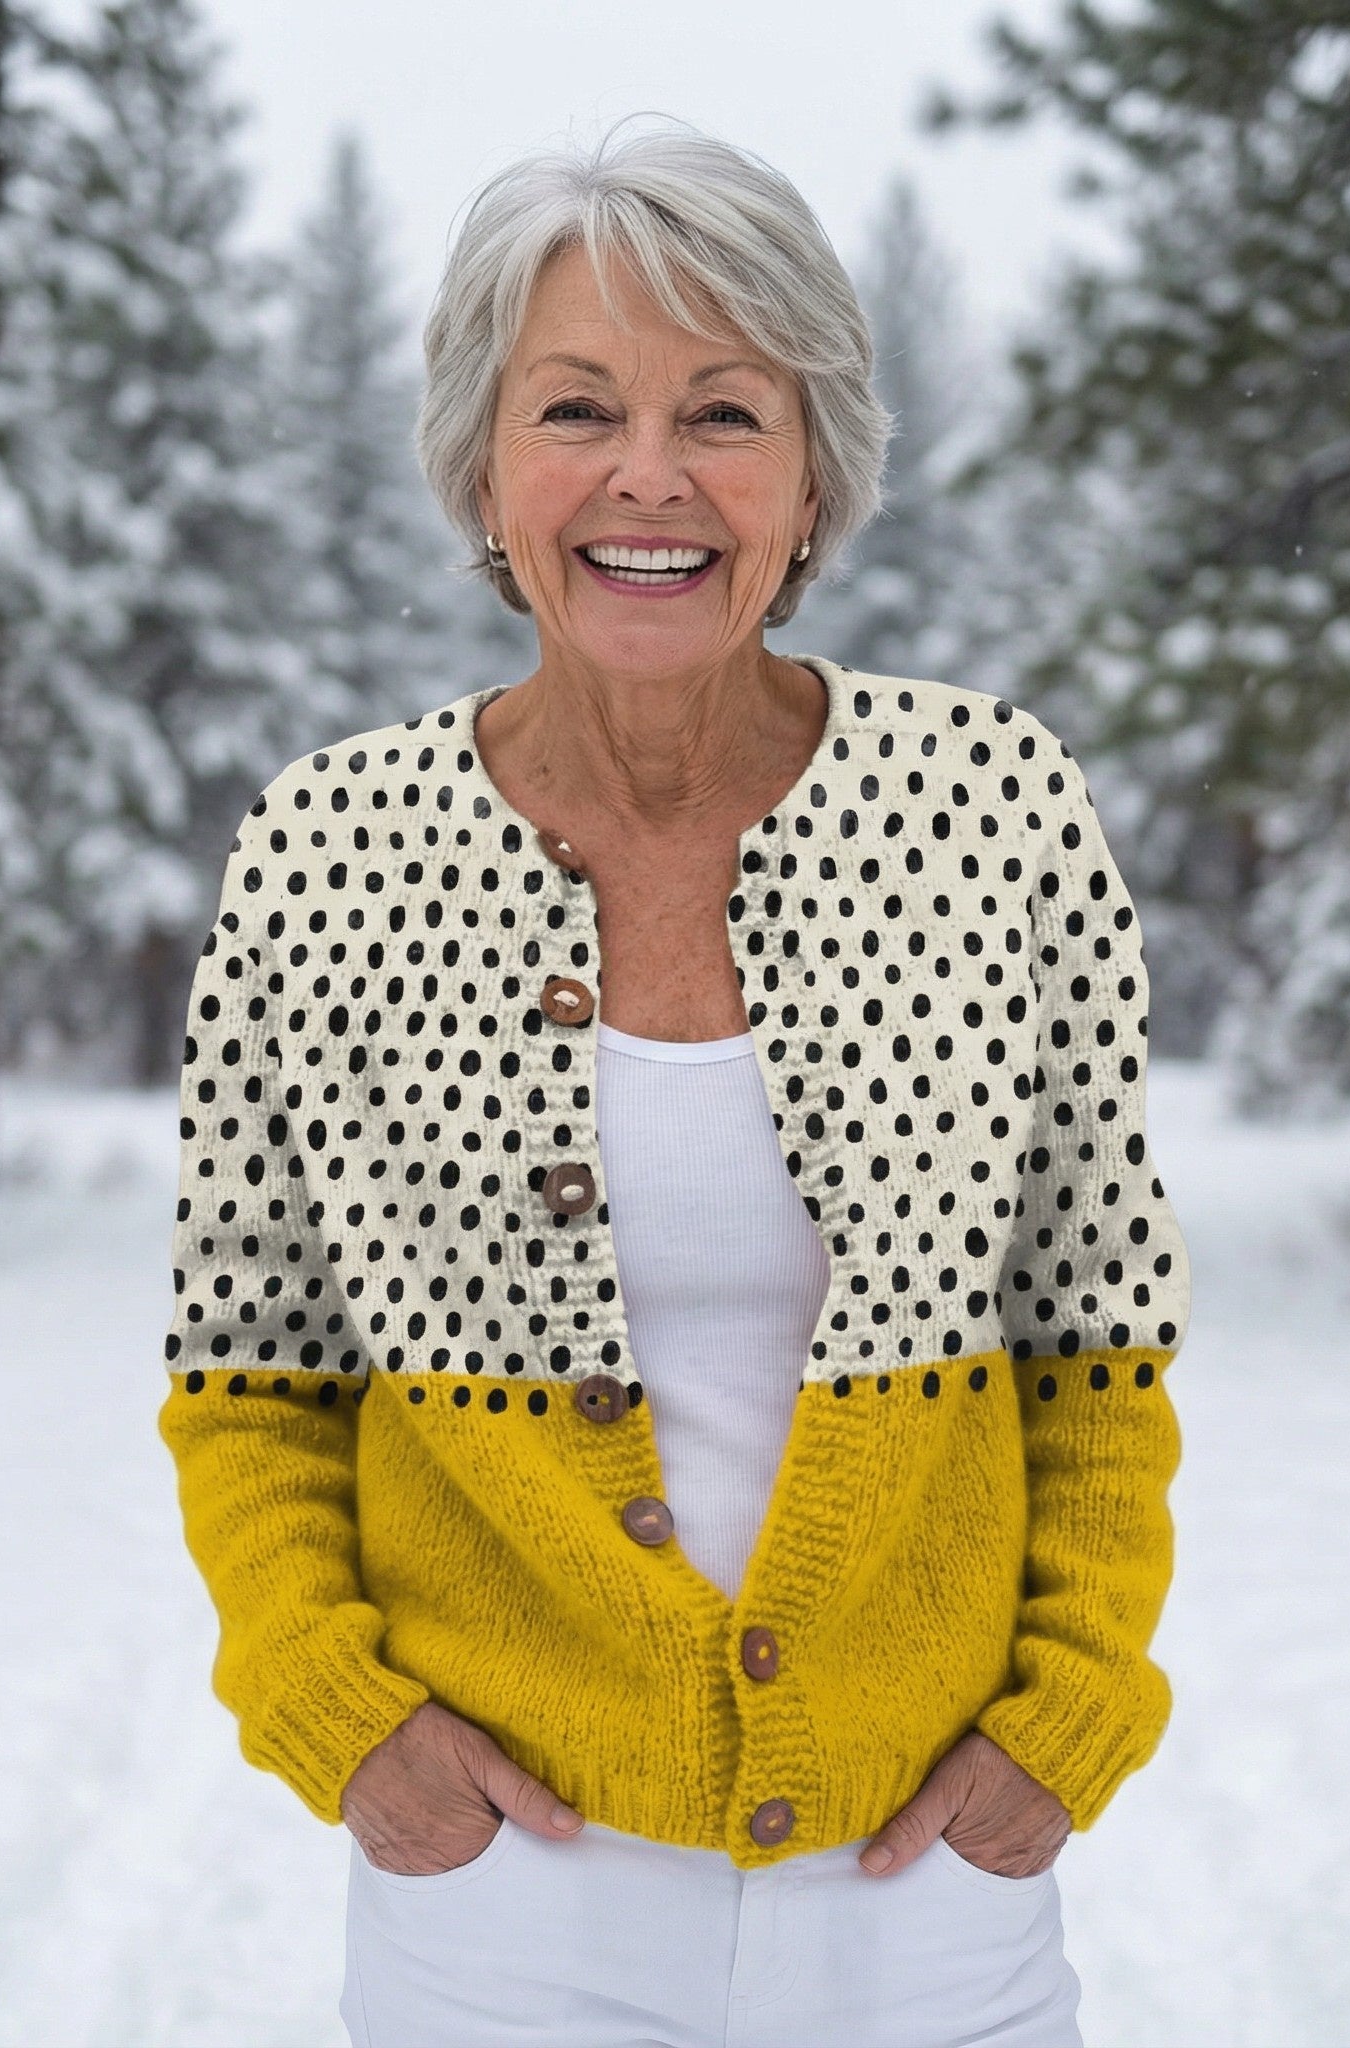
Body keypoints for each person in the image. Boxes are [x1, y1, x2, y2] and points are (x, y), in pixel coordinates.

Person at [159, 119, 1190, 2048]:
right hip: (502, 1906)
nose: (651, 476)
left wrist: (1070, 1715)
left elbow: (1094, 1333)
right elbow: (252, 1370)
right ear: (485, 466)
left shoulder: (990, 809)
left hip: (928, 1897)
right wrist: (343, 1719)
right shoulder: (328, 849)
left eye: (724, 412)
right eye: (578, 410)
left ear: (812, 477)